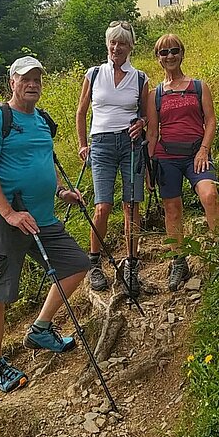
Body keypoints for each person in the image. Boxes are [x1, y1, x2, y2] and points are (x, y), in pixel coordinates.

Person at [0, 55, 90, 393]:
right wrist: (9, 213)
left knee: (76, 264)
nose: (32, 83)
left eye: (37, 77)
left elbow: (43, 160)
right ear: (12, 81)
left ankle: (40, 328)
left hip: (42, 219)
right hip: (4, 220)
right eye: (25, 78)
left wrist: (60, 190)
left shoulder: (41, 119)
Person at [76, 21, 149, 297]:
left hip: (130, 144)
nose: (116, 48)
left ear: (131, 47)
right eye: (112, 42)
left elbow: (146, 114)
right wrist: (84, 145)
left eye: (122, 43)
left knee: (131, 206)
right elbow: (81, 112)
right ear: (107, 44)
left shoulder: (140, 78)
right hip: (102, 145)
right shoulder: (94, 74)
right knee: (102, 206)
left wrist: (141, 122)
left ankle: (131, 264)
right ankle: (94, 264)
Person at [146, 34, 219, 291]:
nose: (169, 56)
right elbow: (153, 132)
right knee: (172, 209)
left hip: (196, 154)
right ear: (158, 58)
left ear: (182, 53)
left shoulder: (199, 86)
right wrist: (149, 167)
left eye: (174, 50)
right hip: (166, 157)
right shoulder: (154, 94)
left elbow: (210, 121)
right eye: (163, 52)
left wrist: (204, 150)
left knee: (209, 195)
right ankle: (178, 261)